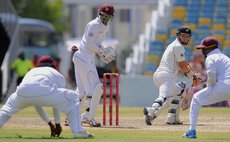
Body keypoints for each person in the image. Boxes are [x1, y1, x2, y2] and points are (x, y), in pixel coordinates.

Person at [0, 55, 93, 138]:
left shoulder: (31, 71)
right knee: (73, 97)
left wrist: (50, 124)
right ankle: (78, 132)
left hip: (21, 92)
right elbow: (56, 103)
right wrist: (57, 123)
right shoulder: (56, 73)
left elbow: (36, 102)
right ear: (52, 65)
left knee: (5, 111)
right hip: (44, 91)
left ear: (38, 65)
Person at [67, 3, 116, 127]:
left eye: (108, 17)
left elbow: (96, 44)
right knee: (96, 88)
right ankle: (88, 117)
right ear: (99, 14)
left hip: (84, 56)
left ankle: (72, 116)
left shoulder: (105, 27)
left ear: (111, 18)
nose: (105, 20)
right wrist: (101, 52)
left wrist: (103, 52)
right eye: (104, 17)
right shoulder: (94, 24)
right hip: (84, 55)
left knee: (82, 91)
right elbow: (89, 44)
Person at [143, 26, 200, 125]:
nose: (185, 38)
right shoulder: (178, 46)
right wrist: (193, 75)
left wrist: (192, 73)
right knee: (164, 97)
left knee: (180, 90)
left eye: (187, 36)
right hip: (166, 76)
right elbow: (183, 65)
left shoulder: (175, 45)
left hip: (161, 75)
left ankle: (172, 118)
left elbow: (183, 64)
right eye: (183, 36)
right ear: (178, 35)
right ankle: (151, 110)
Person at [183, 37, 230, 139]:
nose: (202, 51)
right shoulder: (225, 57)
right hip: (225, 86)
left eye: (203, 49)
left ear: (209, 48)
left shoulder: (210, 58)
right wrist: (209, 84)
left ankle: (191, 130)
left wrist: (209, 85)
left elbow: (211, 76)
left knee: (196, 98)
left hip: (223, 87)